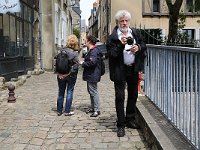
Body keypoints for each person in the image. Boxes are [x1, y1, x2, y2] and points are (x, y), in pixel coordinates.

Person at [106, 10, 147, 137]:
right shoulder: (113, 37)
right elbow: (111, 54)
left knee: (133, 94)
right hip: (120, 69)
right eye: (121, 21)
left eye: (126, 20)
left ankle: (130, 119)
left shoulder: (135, 32)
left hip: (133, 68)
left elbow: (144, 44)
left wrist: (138, 48)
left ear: (129, 21)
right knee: (120, 97)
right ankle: (121, 124)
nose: (124, 23)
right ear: (117, 22)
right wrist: (120, 44)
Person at [56, 34, 80, 116]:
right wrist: (68, 73)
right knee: (69, 91)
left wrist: (59, 73)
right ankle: (67, 111)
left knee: (61, 92)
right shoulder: (75, 53)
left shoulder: (61, 51)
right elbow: (76, 66)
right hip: (70, 75)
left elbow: (57, 63)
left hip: (60, 75)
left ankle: (59, 110)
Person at [80, 35, 103, 117]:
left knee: (93, 92)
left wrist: (83, 63)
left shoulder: (93, 51)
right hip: (91, 74)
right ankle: (93, 107)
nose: (84, 41)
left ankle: (96, 109)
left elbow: (92, 62)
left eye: (85, 40)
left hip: (93, 74)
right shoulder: (92, 50)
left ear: (89, 41)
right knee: (91, 92)